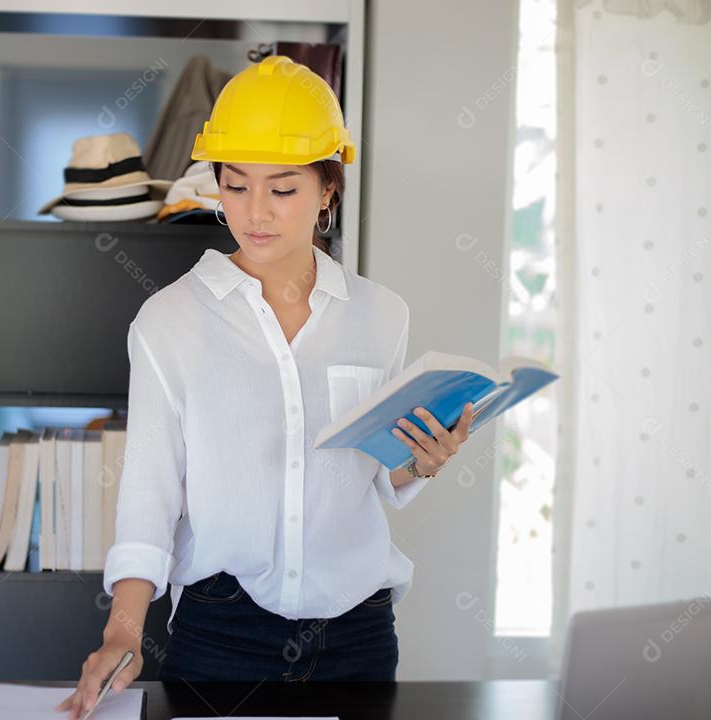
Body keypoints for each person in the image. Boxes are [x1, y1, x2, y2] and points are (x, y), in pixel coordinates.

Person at [58, 56, 476, 719]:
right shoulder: (170, 322)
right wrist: (123, 632)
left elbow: (373, 474)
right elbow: (148, 492)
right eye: (235, 186)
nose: (255, 214)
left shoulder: (382, 315)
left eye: (282, 190)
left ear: (327, 191)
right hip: (222, 634)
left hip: (359, 636)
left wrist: (419, 463)